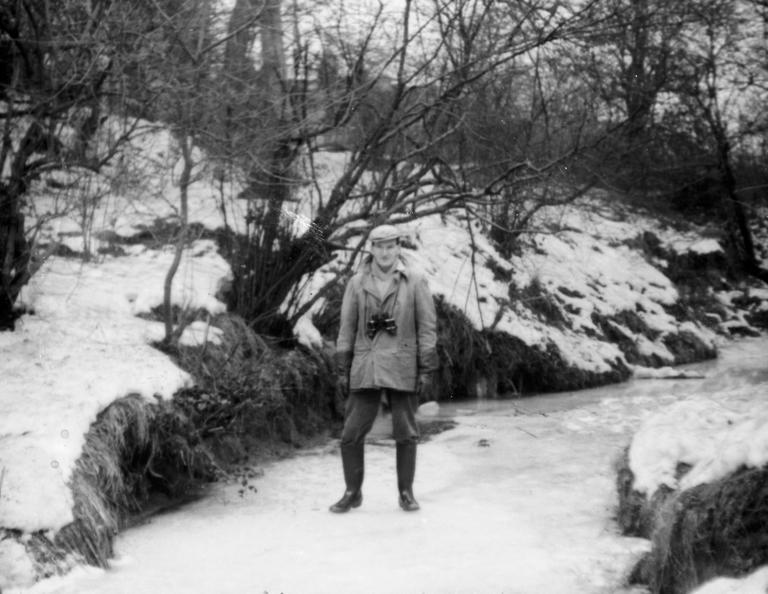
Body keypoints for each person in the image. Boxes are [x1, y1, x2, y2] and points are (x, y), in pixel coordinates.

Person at [330, 224, 438, 513]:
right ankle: (352, 492)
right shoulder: (356, 283)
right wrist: (343, 368)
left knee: (406, 432)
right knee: (351, 433)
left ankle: (406, 493)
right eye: (380, 247)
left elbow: (427, 329)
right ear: (372, 249)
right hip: (367, 365)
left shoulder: (414, 281)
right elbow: (347, 327)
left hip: (403, 365)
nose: (386, 252)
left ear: (399, 248)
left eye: (391, 247)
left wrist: (426, 368)